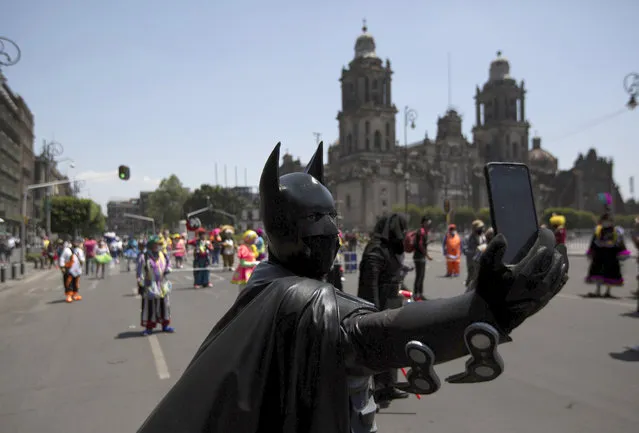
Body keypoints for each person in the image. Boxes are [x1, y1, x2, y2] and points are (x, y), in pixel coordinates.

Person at [137, 142, 569, 433]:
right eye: (328, 230)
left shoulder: (265, 283)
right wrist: (484, 309)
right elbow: (375, 333)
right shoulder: (303, 301)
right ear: (305, 237)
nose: (338, 238)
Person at [358, 213, 410, 405]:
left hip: (392, 305)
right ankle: (378, 388)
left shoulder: (388, 249)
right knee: (379, 349)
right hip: (380, 308)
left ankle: (387, 387)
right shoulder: (376, 250)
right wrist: (374, 312)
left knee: (391, 349)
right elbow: (369, 284)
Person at [585, 212, 631, 297]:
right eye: (604, 220)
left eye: (608, 221)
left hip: (611, 256)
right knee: (598, 273)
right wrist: (591, 252)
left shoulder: (616, 231)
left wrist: (622, 251)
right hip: (599, 256)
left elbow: (620, 243)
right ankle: (598, 291)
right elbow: (593, 243)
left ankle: (608, 291)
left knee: (611, 274)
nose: (606, 222)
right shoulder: (598, 230)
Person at [136, 236, 174, 336]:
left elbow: (169, 264)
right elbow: (140, 272)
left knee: (164, 305)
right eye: (155, 244)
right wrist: (141, 284)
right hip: (149, 284)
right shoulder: (144, 257)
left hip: (162, 284)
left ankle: (165, 325)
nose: (157, 246)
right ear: (151, 245)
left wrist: (168, 269)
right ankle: (149, 327)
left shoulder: (163, 255)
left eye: (158, 244)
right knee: (150, 306)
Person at [59, 237, 86, 303]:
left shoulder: (80, 251)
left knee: (76, 283)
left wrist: (81, 260)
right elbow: (62, 258)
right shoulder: (67, 250)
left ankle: (75, 294)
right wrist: (62, 267)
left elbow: (82, 259)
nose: (82, 245)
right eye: (81, 243)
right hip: (69, 269)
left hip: (77, 269)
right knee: (69, 283)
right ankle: (69, 296)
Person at [412, 216, 432, 301]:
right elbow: (420, 245)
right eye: (427, 222)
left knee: (421, 276)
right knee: (419, 276)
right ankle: (416, 294)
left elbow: (422, 243)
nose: (428, 224)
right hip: (419, 257)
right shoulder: (421, 231)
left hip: (420, 257)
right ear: (423, 223)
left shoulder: (423, 232)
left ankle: (419, 294)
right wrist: (426, 255)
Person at [463, 220, 486, 287]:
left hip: (481, 262)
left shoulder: (483, 237)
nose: (481, 229)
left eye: (482, 228)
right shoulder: (468, 238)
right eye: (479, 228)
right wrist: (476, 251)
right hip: (472, 262)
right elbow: (465, 250)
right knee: (471, 279)